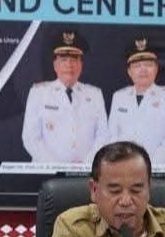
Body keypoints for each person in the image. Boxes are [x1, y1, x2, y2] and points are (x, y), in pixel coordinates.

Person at [22, 29, 108, 163]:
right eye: (63, 60)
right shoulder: (39, 93)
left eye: (74, 59)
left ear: (81, 65)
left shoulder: (95, 94)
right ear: (55, 65)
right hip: (46, 170)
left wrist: (87, 164)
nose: (69, 65)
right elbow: (30, 138)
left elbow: (103, 135)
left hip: (86, 169)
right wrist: (57, 167)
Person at [107, 36, 165, 164]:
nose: (143, 70)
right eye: (137, 66)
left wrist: (146, 167)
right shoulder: (119, 97)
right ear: (129, 71)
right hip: (125, 168)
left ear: (156, 69)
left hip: (159, 169)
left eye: (148, 65)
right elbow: (112, 137)